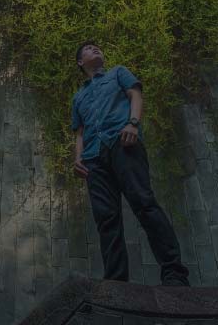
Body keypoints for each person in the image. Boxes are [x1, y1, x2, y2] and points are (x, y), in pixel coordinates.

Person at [70, 40, 190, 286]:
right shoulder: (78, 96)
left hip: (123, 143)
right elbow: (79, 132)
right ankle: (116, 283)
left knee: (144, 204)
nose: (96, 48)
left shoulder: (118, 73)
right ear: (81, 62)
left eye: (97, 47)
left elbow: (135, 94)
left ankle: (174, 273)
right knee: (106, 220)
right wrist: (77, 158)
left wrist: (133, 123)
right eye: (89, 49)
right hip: (93, 159)